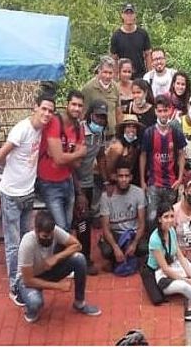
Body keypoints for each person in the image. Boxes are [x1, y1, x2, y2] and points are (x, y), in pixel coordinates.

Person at [0, 93, 55, 306]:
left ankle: (25, 276)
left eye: (50, 110)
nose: (47, 113)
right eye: (43, 109)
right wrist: (4, 173)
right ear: (35, 107)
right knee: (12, 244)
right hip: (11, 195)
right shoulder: (22, 129)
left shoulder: (40, 130)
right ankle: (14, 286)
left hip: (27, 194)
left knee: (25, 241)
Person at [16, 210, 101, 323]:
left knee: (79, 259)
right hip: (28, 279)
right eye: (45, 236)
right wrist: (58, 286)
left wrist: (56, 257)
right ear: (36, 231)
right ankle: (28, 305)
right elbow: (28, 280)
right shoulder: (27, 243)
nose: (49, 238)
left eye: (51, 235)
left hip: (48, 270)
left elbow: (77, 245)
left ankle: (79, 303)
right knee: (35, 302)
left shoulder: (53, 230)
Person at [36, 90, 87, 231]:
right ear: (66, 104)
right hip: (49, 183)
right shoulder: (54, 122)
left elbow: (76, 163)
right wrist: (78, 152)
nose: (76, 108)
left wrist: (61, 156)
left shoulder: (78, 128)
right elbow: (59, 160)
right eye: (74, 104)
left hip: (67, 180)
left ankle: (62, 252)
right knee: (60, 227)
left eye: (80, 106)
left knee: (68, 225)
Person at [73, 99, 109, 276]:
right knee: (74, 222)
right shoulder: (78, 130)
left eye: (103, 117)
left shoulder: (100, 133)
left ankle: (84, 257)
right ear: (90, 115)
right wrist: (78, 192)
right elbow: (71, 163)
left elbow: (101, 157)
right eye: (97, 117)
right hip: (71, 182)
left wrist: (106, 180)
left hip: (87, 182)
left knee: (84, 222)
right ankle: (73, 259)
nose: (100, 121)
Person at [140, 95, 188, 229]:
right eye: (160, 111)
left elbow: (181, 154)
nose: (163, 114)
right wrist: (143, 181)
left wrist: (179, 179)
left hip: (171, 183)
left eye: (165, 110)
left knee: (169, 218)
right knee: (151, 217)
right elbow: (143, 155)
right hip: (154, 182)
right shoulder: (149, 132)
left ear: (170, 111)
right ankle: (153, 247)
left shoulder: (175, 131)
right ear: (155, 111)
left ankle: (169, 246)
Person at [98, 164, 148, 272]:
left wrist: (134, 243)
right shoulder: (106, 196)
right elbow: (105, 228)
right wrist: (115, 247)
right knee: (107, 251)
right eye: (120, 176)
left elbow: (142, 222)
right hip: (115, 233)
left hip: (132, 232)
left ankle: (130, 258)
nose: (124, 179)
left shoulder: (138, 193)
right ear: (115, 177)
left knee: (144, 247)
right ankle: (115, 260)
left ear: (131, 177)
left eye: (126, 176)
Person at [82, 55, 122, 138]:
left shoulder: (116, 87)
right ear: (99, 71)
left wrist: (120, 134)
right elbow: (83, 113)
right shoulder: (88, 88)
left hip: (111, 135)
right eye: (105, 72)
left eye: (110, 73)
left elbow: (118, 112)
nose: (107, 76)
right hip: (93, 136)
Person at [110, 2, 152, 80]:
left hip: (140, 76)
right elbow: (114, 59)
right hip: (124, 77)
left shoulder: (143, 34)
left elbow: (148, 55)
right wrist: (115, 78)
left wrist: (150, 75)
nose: (129, 16)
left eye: (131, 13)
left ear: (135, 15)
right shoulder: (116, 36)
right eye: (126, 13)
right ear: (122, 15)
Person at [106, 114, 145, 192]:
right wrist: (109, 182)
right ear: (123, 129)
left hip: (124, 180)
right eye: (128, 127)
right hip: (111, 181)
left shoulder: (135, 146)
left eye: (134, 127)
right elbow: (108, 169)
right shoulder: (117, 147)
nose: (131, 129)